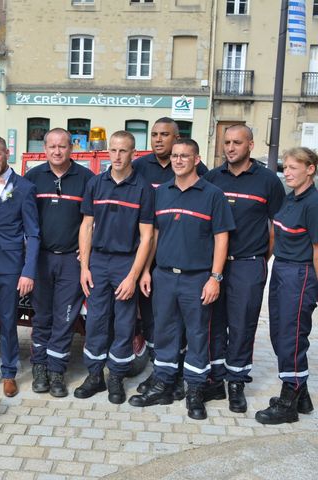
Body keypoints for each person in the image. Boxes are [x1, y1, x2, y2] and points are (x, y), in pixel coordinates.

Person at [128, 139, 235, 421]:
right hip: (164, 276)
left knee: (198, 335)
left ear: (196, 159)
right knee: (164, 332)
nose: (177, 160)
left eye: (184, 156)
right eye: (174, 156)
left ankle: (196, 391)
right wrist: (147, 270)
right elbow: (154, 235)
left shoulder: (213, 195)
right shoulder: (161, 193)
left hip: (197, 279)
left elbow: (221, 238)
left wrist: (215, 278)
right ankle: (164, 384)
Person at [204, 125, 285, 412]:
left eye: (237, 142)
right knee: (213, 322)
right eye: (226, 142)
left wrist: (262, 259)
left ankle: (236, 382)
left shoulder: (268, 181)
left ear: (250, 145)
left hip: (249, 265)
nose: (230, 147)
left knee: (242, 325)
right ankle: (214, 380)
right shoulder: (212, 178)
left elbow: (276, 227)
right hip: (213, 265)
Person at [75, 131, 154, 404]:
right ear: (108, 152)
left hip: (125, 262)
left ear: (134, 154)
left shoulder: (143, 188)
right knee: (95, 320)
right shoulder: (96, 184)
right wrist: (85, 267)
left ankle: (116, 377)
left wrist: (134, 275)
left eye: (123, 151)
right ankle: (95, 375)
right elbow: (86, 226)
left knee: (124, 323)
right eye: (113, 150)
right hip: (98, 261)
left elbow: (147, 236)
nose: (117, 156)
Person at [132, 117, 209, 399]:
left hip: (187, 262)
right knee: (157, 321)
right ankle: (162, 371)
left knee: (188, 324)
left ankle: (180, 378)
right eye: (154, 135)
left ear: (177, 138)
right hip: (149, 255)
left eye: (165, 134)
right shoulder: (139, 166)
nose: (158, 139)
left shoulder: (200, 175)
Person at [24, 128, 94, 397]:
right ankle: (39, 368)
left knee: (65, 318)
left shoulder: (87, 179)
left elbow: (91, 222)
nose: (57, 151)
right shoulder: (32, 178)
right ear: (45, 149)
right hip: (41, 260)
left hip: (71, 261)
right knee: (41, 316)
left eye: (62, 146)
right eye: (52, 146)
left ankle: (56, 371)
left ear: (71, 148)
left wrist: (85, 251)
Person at [255, 147, 318, 425]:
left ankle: (288, 403)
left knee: (292, 337)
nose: (288, 172)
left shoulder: (314, 204)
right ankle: (301, 396)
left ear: (310, 169)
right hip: (281, 269)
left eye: (294, 167)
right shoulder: (290, 199)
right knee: (279, 333)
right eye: (286, 167)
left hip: (301, 273)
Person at [0, 135, 40, 397]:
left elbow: (33, 233)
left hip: (10, 266)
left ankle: (10, 372)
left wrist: (28, 271)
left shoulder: (24, 187)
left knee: (8, 320)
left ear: (7, 153)